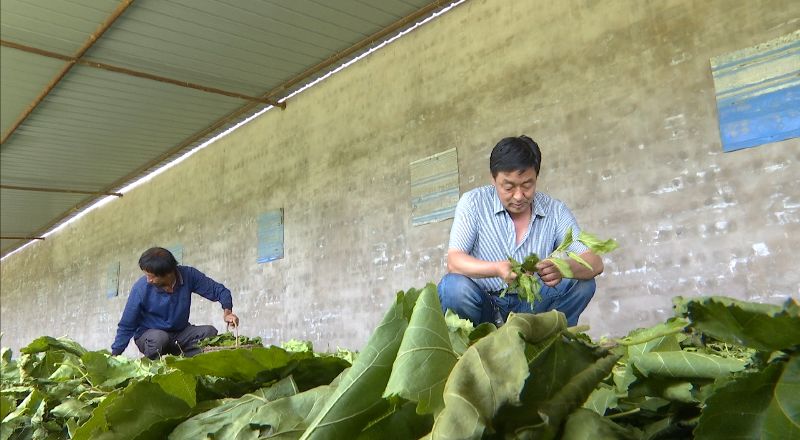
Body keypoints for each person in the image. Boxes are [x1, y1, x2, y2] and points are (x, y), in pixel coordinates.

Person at [438, 135, 604, 327]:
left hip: (532, 306)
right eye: (508, 187)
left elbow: (595, 263)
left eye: (527, 185)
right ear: (493, 179)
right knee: (453, 288)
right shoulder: (473, 203)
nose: (518, 196)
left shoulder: (555, 211)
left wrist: (562, 269)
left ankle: (550, 341)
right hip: (486, 306)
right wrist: (497, 269)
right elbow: (454, 261)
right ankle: (474, 344)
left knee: (583, 284)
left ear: (536, 177)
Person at [111, 247, 239, 358]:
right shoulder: (141, 288)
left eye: (152, 276)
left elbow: (219, 291)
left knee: (209, 332)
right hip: (150, 335)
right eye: (146, 275)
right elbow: (126, 325)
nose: (148, 280)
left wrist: (227, 312)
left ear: (168, 273)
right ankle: (153, 366)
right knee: (160, 338)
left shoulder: (189, 275)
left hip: (179, 333)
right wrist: (115, 354)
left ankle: (184, 362)